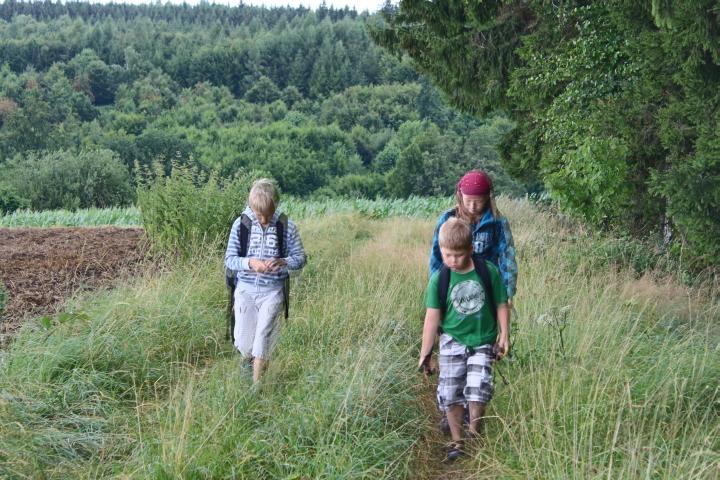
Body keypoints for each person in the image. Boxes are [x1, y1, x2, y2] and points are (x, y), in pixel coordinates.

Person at [428, 169, 518, 434]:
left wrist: (507, 294)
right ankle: (453, 409)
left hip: (486, 295)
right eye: (469, 200)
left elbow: (507, 258)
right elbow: (436, 257)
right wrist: (438, 295)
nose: (474, 206)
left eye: (479, 201)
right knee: (453, 352)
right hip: (454, 295)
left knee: (480, 354)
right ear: (460, 195)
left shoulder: (497, 223)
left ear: (488, 197)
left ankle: (472, 411)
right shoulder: (447, 219)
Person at [419, 217, 510, 461]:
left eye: (458, 255)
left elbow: (502, 303)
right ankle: (457, 441)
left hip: (482, 340)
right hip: (452, 341)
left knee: (478, 388)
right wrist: (426, 353)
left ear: (471, 249)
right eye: (447, 255)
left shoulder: (487, 272)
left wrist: (504, 334)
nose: (452, 260)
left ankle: (473, 433)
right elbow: (431, 318)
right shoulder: (440, 279)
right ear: (441, 250)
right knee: (450, 393)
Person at [224, 178, 306, 383]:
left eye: (269, 214)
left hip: (273, 291)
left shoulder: (287, 226)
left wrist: (283, 261)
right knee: (244, 343)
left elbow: (301, 258)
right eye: (259, 214)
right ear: (252, 207)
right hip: (245, 290)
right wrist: (250, 263)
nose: (264, 219)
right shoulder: (241, 225)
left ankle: (257, 387)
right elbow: (230, 259)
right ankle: (248, 365)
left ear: (276, 205)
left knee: (263, 338)